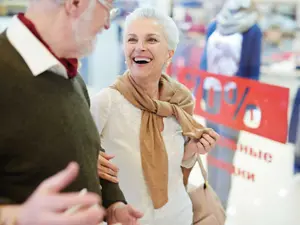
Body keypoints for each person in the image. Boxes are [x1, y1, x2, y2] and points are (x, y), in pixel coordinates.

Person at [0, 0, 142, 224]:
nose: (107, 24)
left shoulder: (69, 75)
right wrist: (17, 217)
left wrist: (112, 204)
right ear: (75, 3)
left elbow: (87, 151)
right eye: (107, 7)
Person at [91, 7, 219, 225]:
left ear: (169, 52)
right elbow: (77, 160)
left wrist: (192, 151)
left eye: (151, 40)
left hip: (178, 216)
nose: (139, 48)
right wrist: (89, 160)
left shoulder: (180, 100)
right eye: (132, 40)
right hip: (128, 220)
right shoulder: (107, 102)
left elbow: (178, 169)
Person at [199, 0, 262, 208]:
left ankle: (220, 209)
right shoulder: (215, 25)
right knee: (211, 151)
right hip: (212, 97)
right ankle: (209, 204)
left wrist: (249, 105)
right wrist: (199, 91)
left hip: (234, 99)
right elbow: (205, 62)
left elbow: (252, 71)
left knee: (225, 157)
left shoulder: (252, 29)